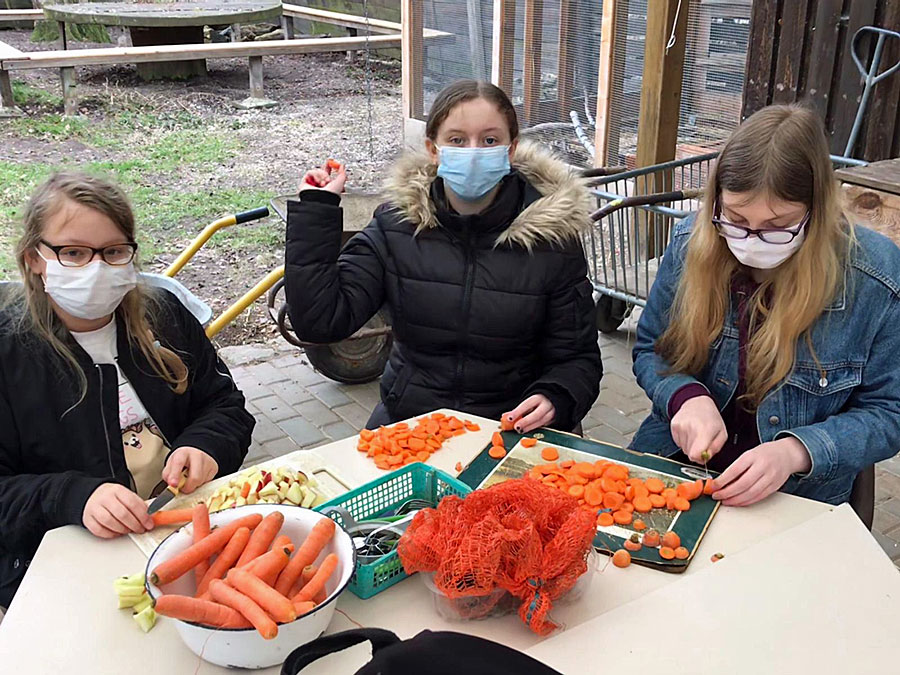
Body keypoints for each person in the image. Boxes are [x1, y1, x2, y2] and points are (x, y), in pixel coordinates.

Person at [285, 79, 602, 432]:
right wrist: (317, 209)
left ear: (510, 150)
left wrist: (556, 397)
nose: (473, 152)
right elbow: (320, 322)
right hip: (413, 426)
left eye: (490, 140)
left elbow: (577, 358)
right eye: (457, 140)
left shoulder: (552, 240)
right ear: (433, 149)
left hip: (508, 432)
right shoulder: (397, 226)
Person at [0, 172, 255, 608]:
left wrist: (205, 445)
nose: (96, 269)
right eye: (74, 253)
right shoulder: (10, 355)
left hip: (181, 539)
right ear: (34, 258)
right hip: (63, 567)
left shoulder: (165, 317)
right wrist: (71, 497)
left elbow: (224, 404)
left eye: (114, 252)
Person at [631, 104, 900, 507]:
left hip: (796, 493)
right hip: (676, 465)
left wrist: (796, 452)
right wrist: (684, 396)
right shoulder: (692, 241)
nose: (752, 240)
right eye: (736, 219)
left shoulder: (874, 276)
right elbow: (652, 348)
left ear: (817, 211)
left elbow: (889, 411)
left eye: (778, 227)